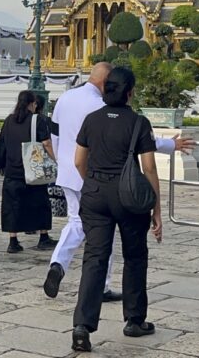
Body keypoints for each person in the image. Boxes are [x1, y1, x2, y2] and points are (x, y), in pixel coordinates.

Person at [45, 62, 191, 302]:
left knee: (76, 221)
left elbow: (55, 134)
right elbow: (134, 138)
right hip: (97, 175)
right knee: (105, 233)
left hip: (69, 170)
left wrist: (62, 162)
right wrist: (171, 145)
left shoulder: (65, 98)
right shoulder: (99, 106)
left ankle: (58, 263)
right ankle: (101, 286)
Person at [70, 67, 163, 352]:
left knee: (95, 258)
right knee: (134, 256)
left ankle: (82, 326)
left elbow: (78, 161)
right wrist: (157, 208)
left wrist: (94, 183)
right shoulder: (138, 123)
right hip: (129, 198)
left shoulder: (92, 120)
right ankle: (134, 320)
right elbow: (148, 168)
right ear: (130, 92)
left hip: (95, 193)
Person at [0, 91, 56, 253]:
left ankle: (13, 240)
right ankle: (43, 236)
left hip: (12, 169)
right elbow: (46, 143)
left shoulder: (8, 120)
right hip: (32, 169)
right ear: (32, 103)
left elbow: (3, 142)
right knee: (40, 201)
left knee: (11, 205)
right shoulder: (37, 120)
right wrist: (54, 161)